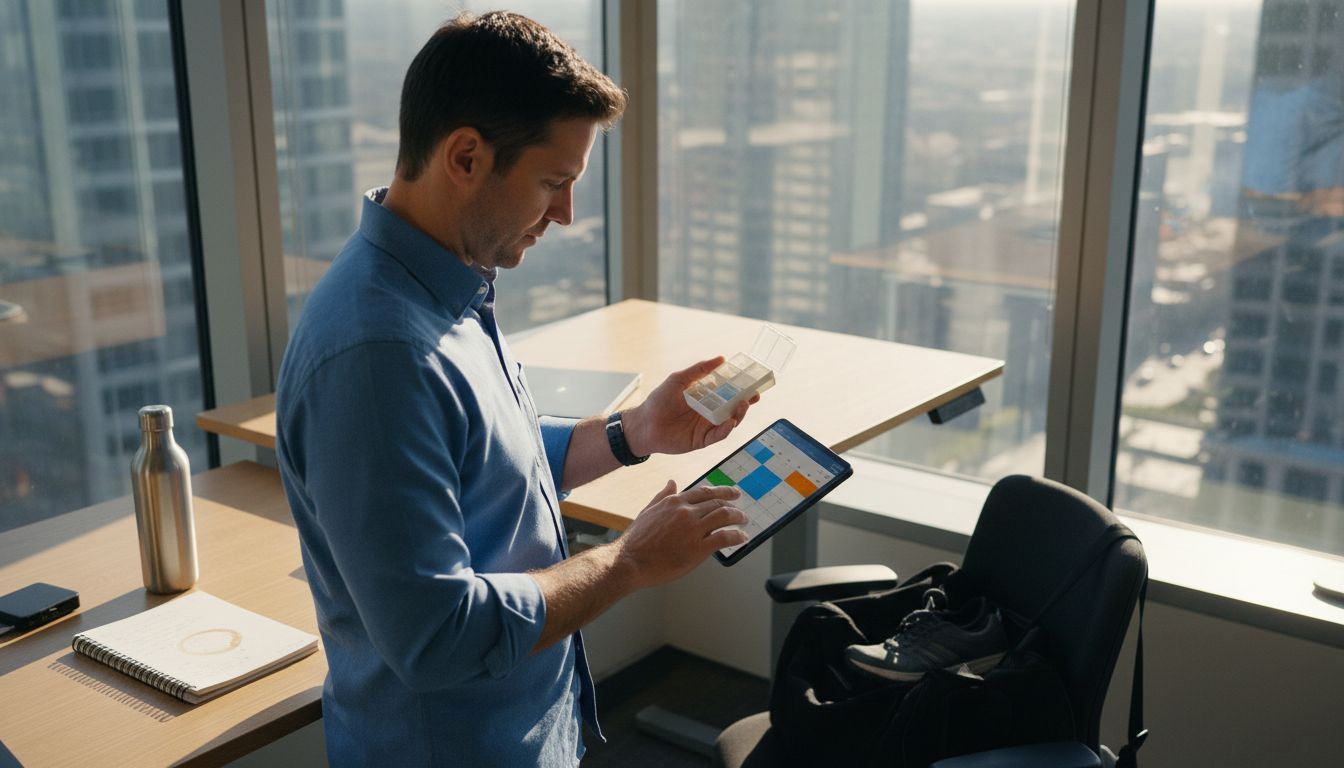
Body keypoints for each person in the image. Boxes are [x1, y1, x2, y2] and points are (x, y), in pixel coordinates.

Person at [274, 11, 756, 767]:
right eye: (553, 183)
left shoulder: (447, 290)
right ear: (464, 155)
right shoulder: (379, 356)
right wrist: (627, 562)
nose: (565, 215)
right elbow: (438, 637)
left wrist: (636, 431)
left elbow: (499, 467)